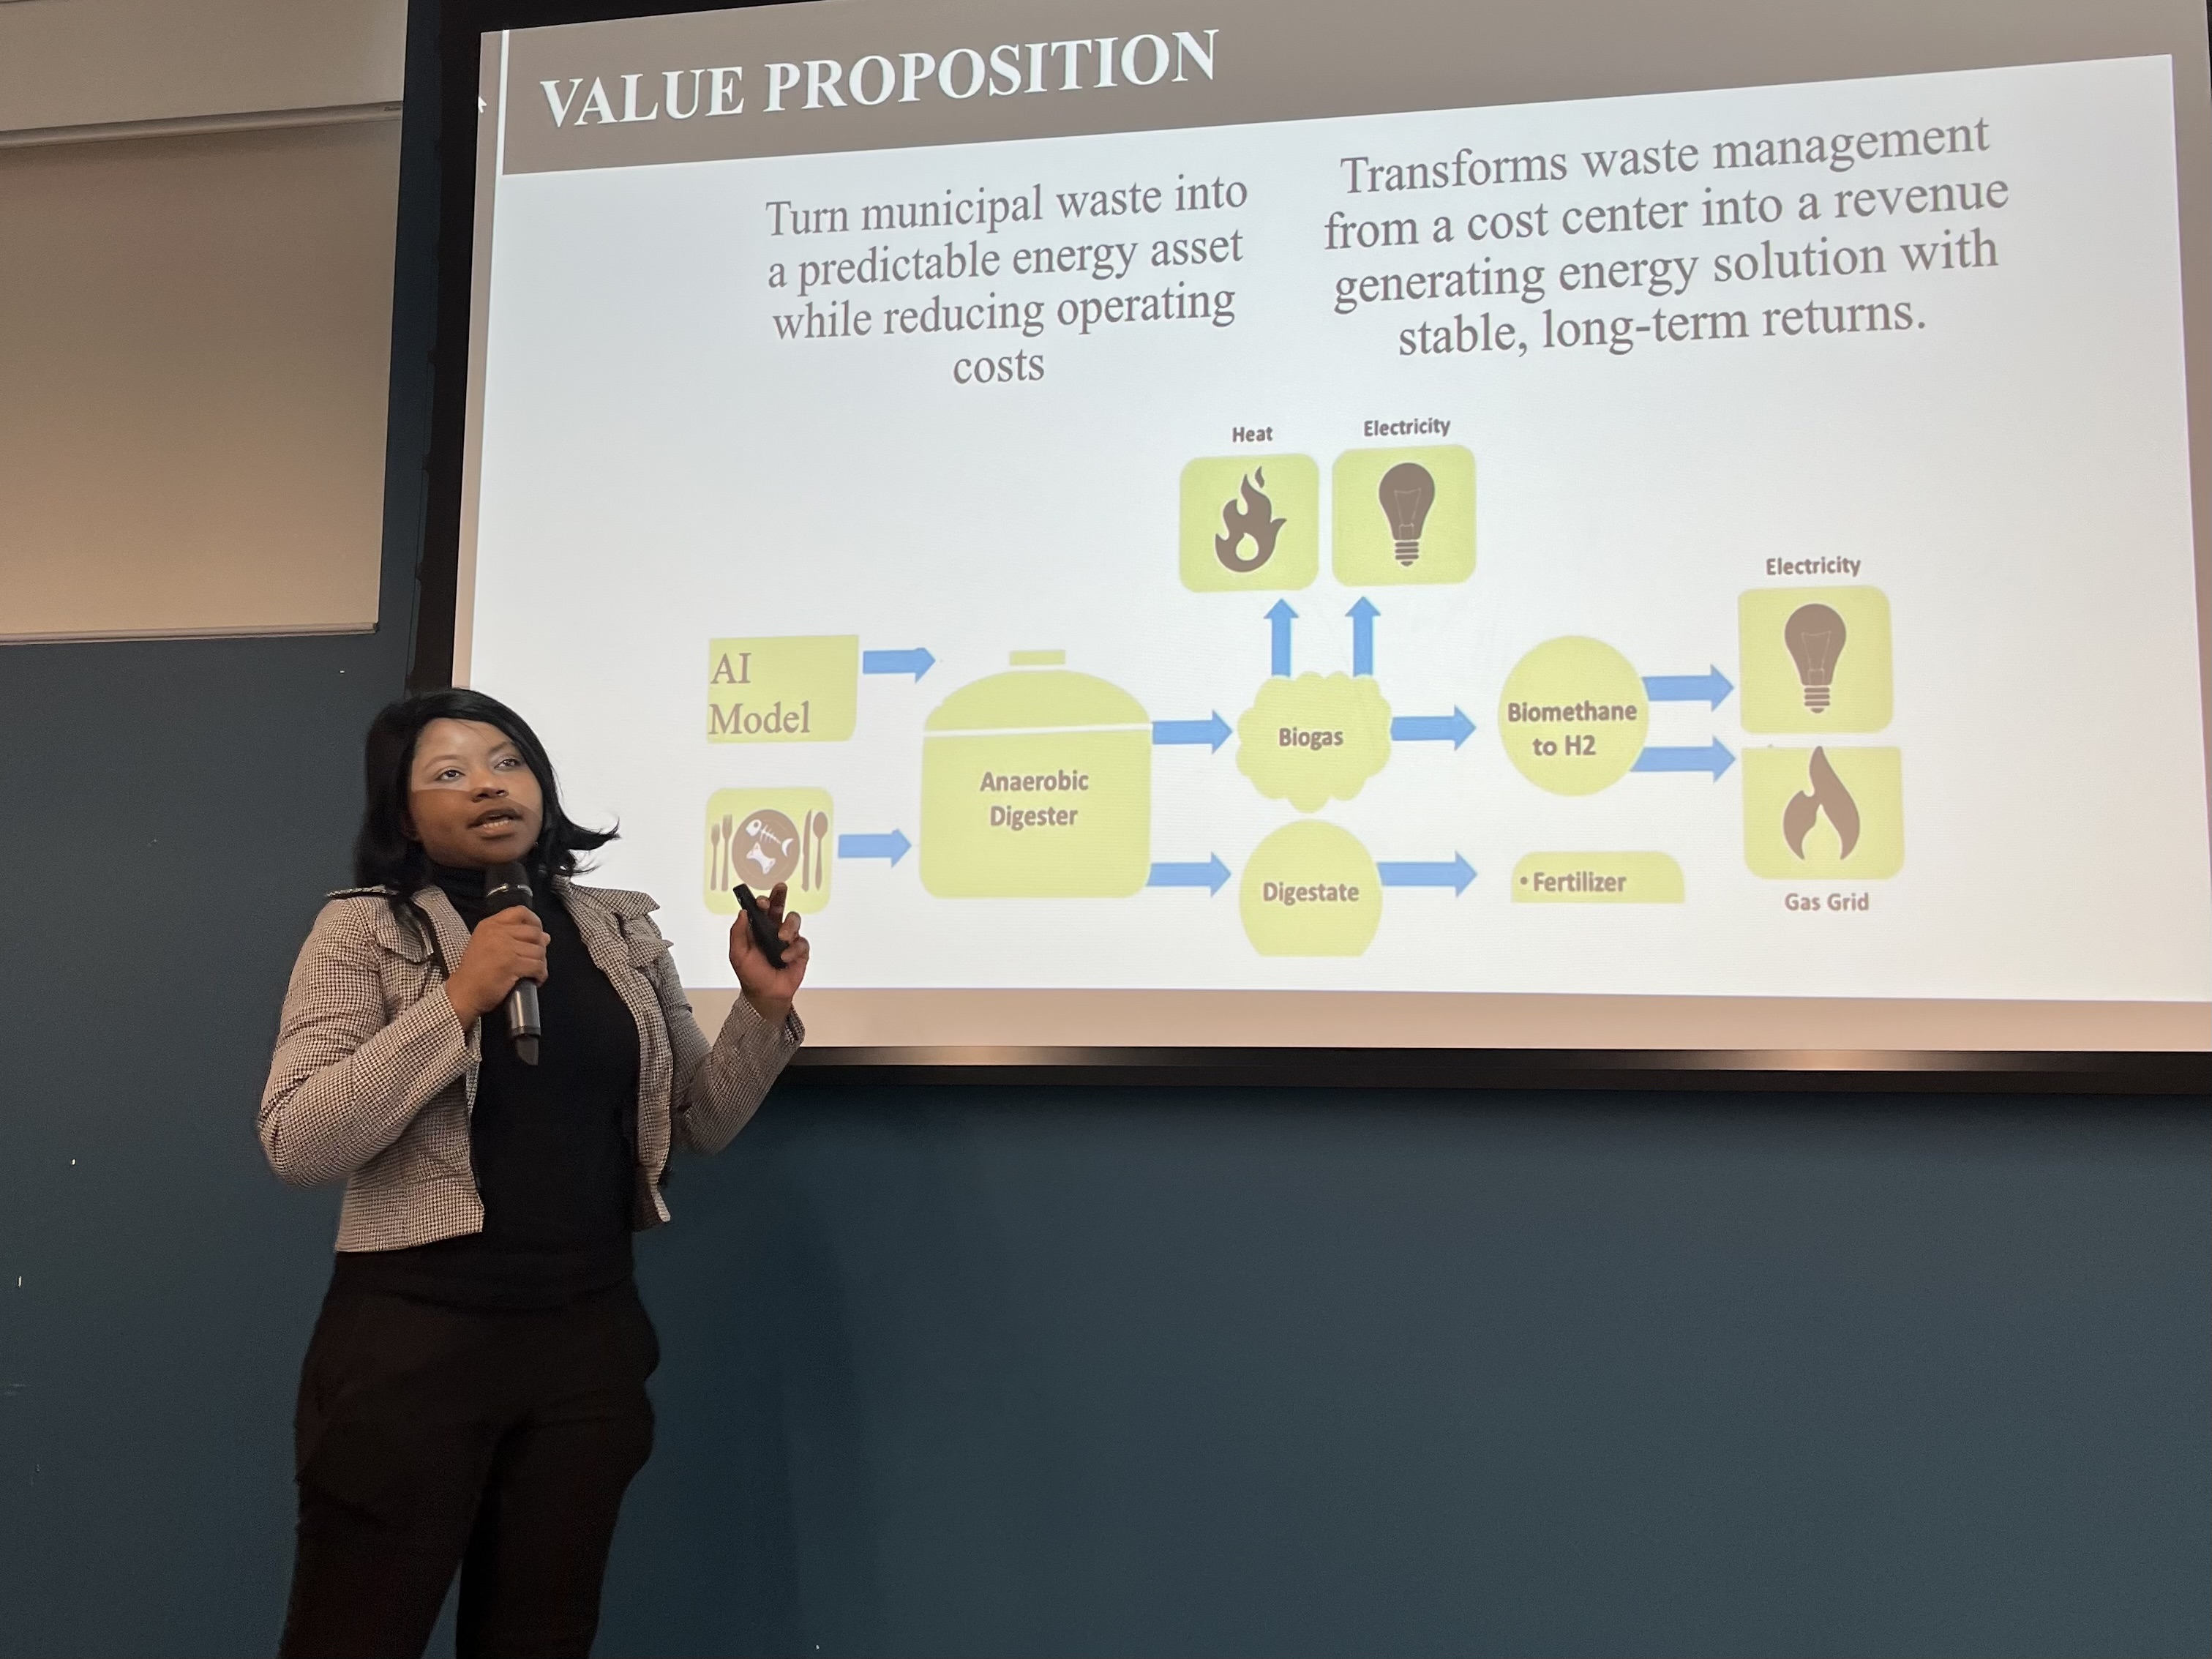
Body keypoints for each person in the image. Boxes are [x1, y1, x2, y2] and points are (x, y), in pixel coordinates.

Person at [258, 688, 807, 1658]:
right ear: (403, 813)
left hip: (584, 1340)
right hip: (414, 1344)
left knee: (542, 1637)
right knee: (356, 1634)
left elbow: (698, 1120)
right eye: (450, 772)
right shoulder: (362, 932)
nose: (488, 786)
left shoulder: (618, 929)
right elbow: (300, 1139)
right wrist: (459, 1000)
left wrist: (762, 1011)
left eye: (508, 762)